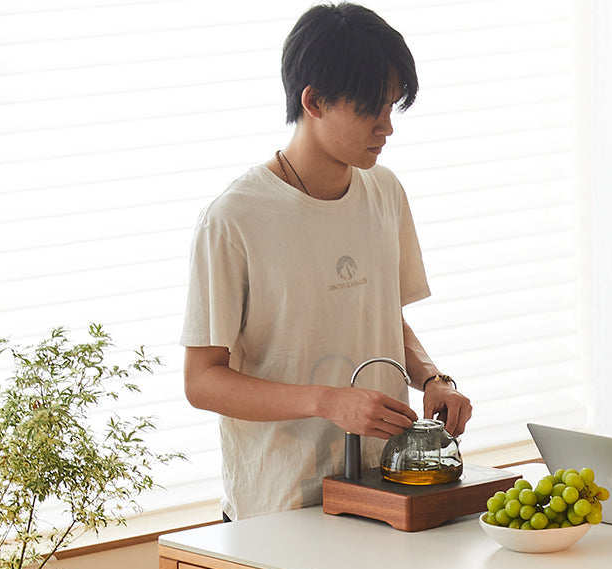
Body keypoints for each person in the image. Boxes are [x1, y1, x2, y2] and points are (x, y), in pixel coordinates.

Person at [181, 3, 471, 521]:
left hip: (382, 489)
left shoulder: (384, 191)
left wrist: (433, 379)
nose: (387, 127)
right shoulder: (233, 219)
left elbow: (379, 316)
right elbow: (201, 381)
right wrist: (328, 401)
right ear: (313, 101)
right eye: (370, 109)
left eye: (391, 106)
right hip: (279, 508)